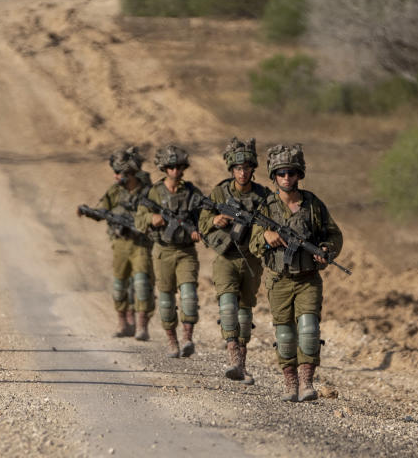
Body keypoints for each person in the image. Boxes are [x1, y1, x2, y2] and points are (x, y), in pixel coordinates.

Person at [250, 144, 343, 402]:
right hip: (278, 278)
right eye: (281, 173)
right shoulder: (266, 207)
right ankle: (290, 383)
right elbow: (253, 240)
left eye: (291, 172)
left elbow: (334, 235)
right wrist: (267, 237)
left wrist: (326, 249)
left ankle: (306, 383)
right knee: (285, 334)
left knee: (309, 329)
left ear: (299, 174)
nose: (287, 178)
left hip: (307, 278)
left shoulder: (313, 205)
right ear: (274, 176)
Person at [199, 137, 269, 385]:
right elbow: (202, 223)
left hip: (251, 259)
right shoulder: (220, 192)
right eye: (238, 169)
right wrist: (215, 221)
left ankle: (242, 364)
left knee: (245, 313)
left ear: (253, 169)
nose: (243, 172)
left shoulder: (263, 196)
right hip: (226, 258)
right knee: (228, 305)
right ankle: (233, 358)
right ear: (232, 170)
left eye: (247, 168)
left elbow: (273, 223)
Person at [77, 147, 154, 341]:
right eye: (116, 172)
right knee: (120, 285)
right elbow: (102, 210)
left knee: (142, 284)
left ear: (131, 173)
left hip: (141, 244)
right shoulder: (115, 191)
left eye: (120, 173)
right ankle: (123, 322)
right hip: (120, 243)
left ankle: (141, 325)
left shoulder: (149, 192)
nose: (116, 176)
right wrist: (88, 211)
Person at [135, 145, 203, 358]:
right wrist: (151, 219)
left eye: (178, 167)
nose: (175, 171)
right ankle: (172, 341)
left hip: (186, 252)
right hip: (163, 251)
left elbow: (205, 217)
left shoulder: (192, 192)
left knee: (189, 295)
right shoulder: (154, 192)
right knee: (166, 300)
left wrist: (199, 230)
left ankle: (187, 338)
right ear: (164, 168)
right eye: (170, 167)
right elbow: (139, 219)